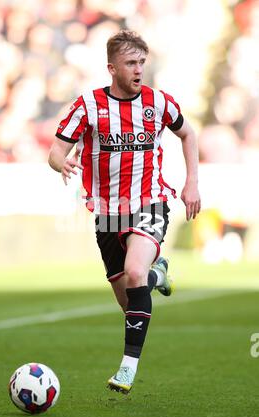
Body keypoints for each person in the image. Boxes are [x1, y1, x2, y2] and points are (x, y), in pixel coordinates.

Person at [48, 30, 201, 394]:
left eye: (141, 63)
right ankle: (157, 275)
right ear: (111, 68)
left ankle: (127, 368)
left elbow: (188, 134)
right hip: (107, 212)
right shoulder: (87, 106)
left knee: (134, 271)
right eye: (131, 63)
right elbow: (55, 150)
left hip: (150, 200)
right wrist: (62, 164)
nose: (138, 70)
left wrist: (192, 182)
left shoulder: (158, 102)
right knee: (129, 297)